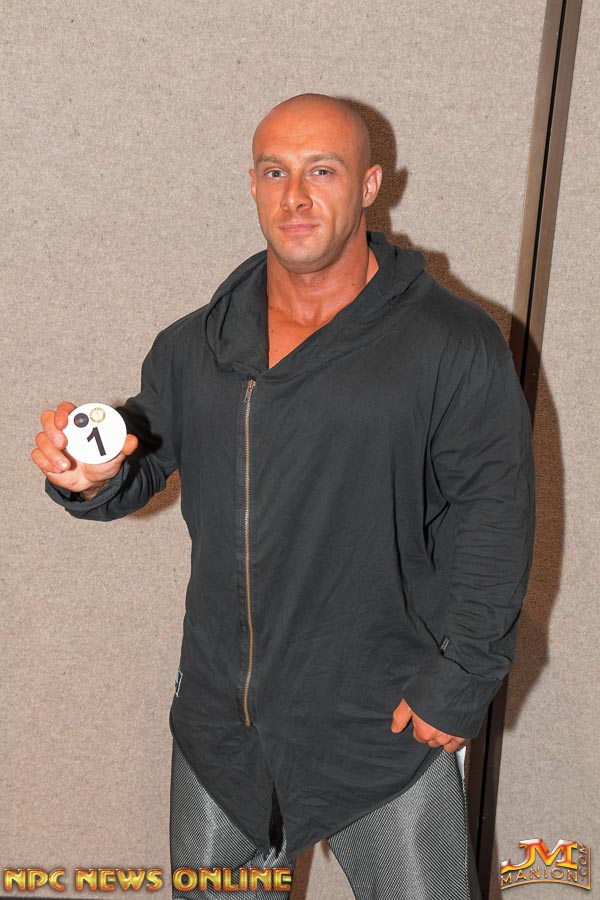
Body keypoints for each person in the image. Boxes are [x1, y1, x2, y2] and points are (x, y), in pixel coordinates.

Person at [32, 93, 536, 899]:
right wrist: (89, 479)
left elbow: (497, 516)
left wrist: (462, 679)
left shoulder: (451, 343)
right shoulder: (194, 346)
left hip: (385, 726)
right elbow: (141, 461)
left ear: (369, 186)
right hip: (223, 734)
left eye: (322, 171)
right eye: (275, 172)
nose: (295, 196)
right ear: (253, 184)